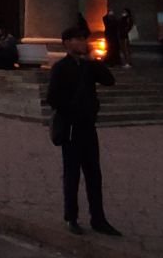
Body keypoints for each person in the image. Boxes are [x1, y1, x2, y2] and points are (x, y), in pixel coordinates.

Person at [46, 26, 121, 237]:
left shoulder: (89, 66)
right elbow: (53, 98)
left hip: (88, 127)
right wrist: (73, 110)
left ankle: (98, 218)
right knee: (72, 175)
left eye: (83, 39)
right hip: (71, 128)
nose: (82, 43)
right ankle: (71, 217)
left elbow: (109, 80)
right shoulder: (61, 68)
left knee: (94, 174)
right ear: (67, 43)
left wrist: (93, 60)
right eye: (78, 39)